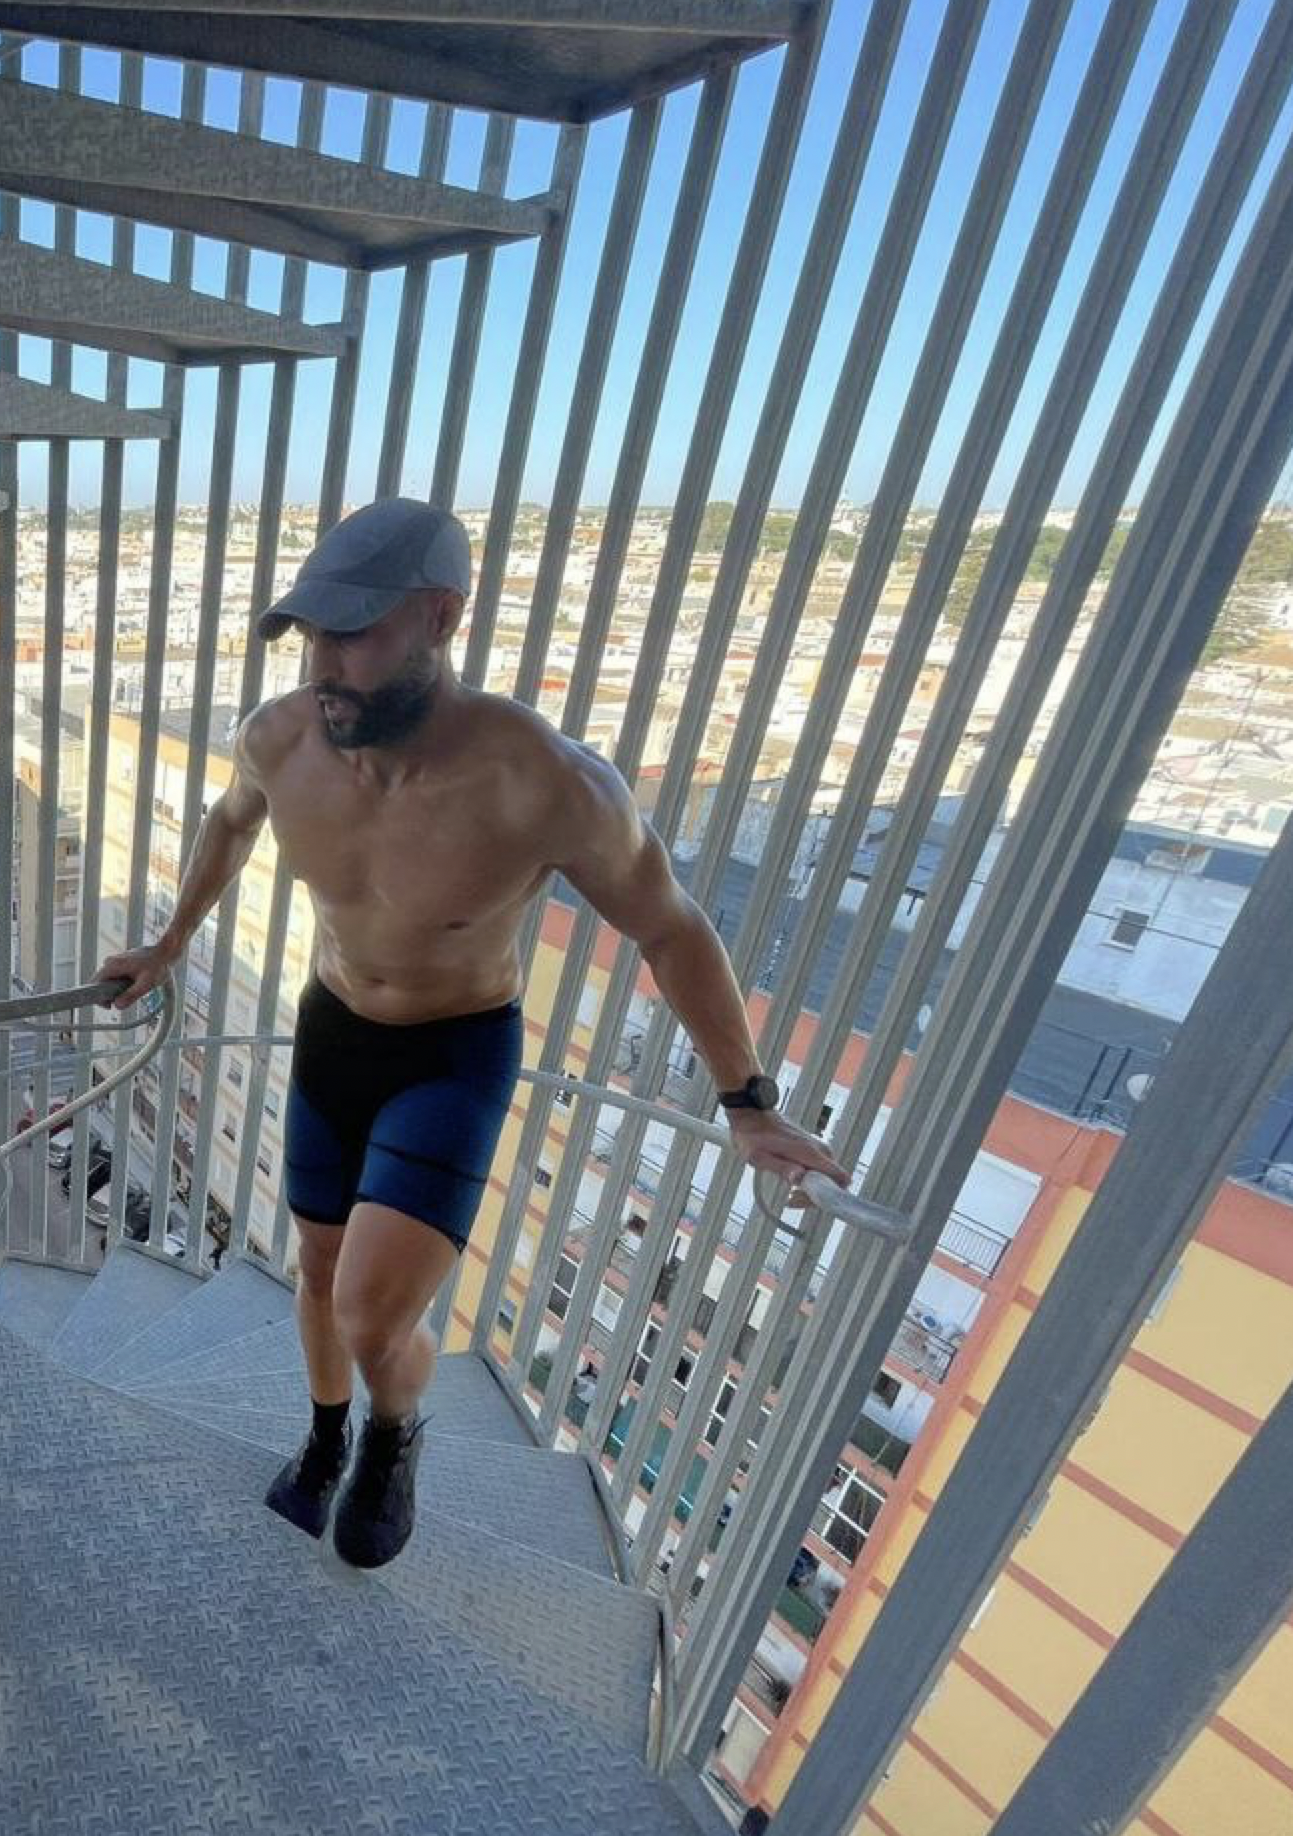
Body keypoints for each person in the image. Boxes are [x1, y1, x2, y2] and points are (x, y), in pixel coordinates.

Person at [96, 497, 851, 1572]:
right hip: (334, 1028)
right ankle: (324, 1439)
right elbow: (228, 823)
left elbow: (672, 929)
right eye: (312, 633)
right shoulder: (280, 739)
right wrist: (169, 943)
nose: (324, 662)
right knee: (314, 1271)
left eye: (353, 633)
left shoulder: (542, 783)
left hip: (452, 1052)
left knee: (368, 1312)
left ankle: (395, 1432)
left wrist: (748, 1104)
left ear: (442, 618)